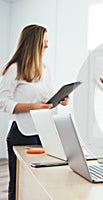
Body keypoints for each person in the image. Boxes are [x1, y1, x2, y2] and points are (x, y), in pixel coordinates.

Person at [0, 24, 69, 200]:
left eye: (47, 42)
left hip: (44, 132)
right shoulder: (14, 69)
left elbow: (47, 99)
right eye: (43, 42)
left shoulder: (45, 70)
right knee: (18, 183)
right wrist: (32, 106)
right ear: (32, 43)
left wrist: (60, 100)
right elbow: (3, 102)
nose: (47, 46)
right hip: (22, 133)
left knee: (39, 182)